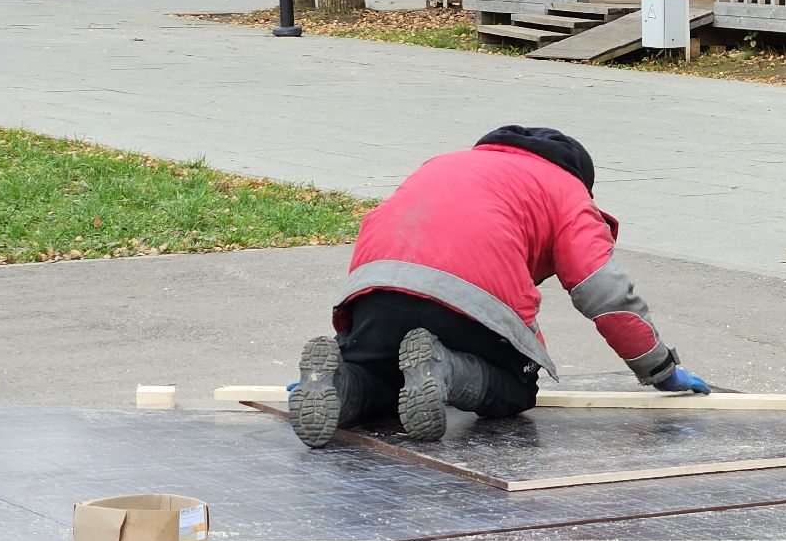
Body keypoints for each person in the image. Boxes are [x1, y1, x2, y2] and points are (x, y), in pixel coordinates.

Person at [289, 125, 709, 448]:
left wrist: (349, 341)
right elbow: (603, 291)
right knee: (517, 391)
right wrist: (659, 369)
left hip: (375, 288)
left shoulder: (444, 163)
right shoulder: (566, 190)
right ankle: (447, 372)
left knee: (382, 370)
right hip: (471, 299)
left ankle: (341, 384)